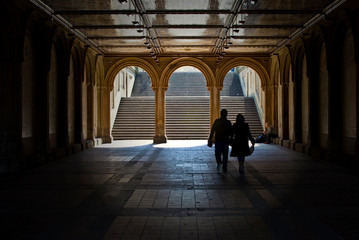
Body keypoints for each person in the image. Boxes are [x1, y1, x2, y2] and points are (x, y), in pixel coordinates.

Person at [208, 109, 232, 174]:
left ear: (220, 114)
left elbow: (212, 130)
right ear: (226, 114)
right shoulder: (228, 122)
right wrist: (231, 140)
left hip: (218, 140)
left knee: (217, 153)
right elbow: (231, 132)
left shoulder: (217, 121)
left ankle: (219, 163)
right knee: (225, 154)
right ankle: (224, 166)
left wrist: (210, 138)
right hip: (225, 140)